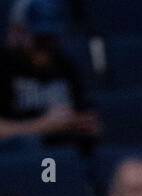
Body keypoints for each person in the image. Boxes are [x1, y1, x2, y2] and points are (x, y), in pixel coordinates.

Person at [0, 0, 98, 147]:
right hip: (20, 158)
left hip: (63, 155)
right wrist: (43, 125)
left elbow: (93, 124)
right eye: (39, 38)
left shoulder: (66, 67)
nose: (45, 46)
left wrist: (82, 123)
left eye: (50, 38)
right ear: (18, 33)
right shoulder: (4, 68)